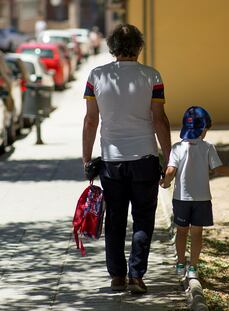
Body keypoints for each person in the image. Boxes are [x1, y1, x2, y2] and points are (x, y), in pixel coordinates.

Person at [82, 24, 171, 293]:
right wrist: (169, 159)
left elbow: (90, 121)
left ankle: (117, 276)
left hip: (111, 160)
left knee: (115, 219)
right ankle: (136, 275)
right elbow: (160, 120)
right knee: (143, 218)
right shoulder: (151, 76)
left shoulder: (97, 76)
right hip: (144, 158)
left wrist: (86, 159)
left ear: (111, 47)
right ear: (139, 46)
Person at [160, 106, 229, 279]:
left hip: (181, 199)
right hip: (202, 199)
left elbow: (170, 171)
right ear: (204, 128)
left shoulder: (177, 148)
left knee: (181, 232)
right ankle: (193, 268)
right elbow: (220, 169)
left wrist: (165, 183)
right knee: (197, 234)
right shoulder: (208, 148)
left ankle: (180, 263)